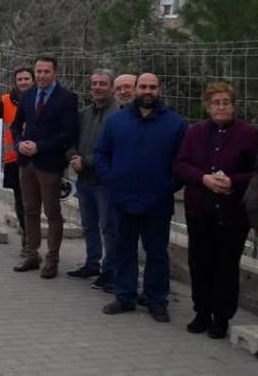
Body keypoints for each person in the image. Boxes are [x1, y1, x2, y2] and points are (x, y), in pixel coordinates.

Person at [95, 73, 187, 323]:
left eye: (152, 87)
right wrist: (112, 179)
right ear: (135, 89)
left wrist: (169, 186)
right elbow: (101, 153)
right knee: (124, 249)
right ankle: (124, 296)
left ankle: (156, 300)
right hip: (123, 199)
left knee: (157, 253)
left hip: (157, 201)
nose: (147, 91)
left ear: (160, 90)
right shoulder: (117, 121)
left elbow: (182, 162)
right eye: (143, 86)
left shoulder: (176, 124)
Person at [174, 82, 258, 338]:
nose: (221, 107)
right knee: (200, 263)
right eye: (216, 103)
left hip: (232, 212)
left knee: (226, 266)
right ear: (207, 106)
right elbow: (180, 164)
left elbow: (254, 171)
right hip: (200, 208)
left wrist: (233, 180)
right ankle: (201, 312)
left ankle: (221, 317)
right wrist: (203, 179)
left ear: (233, 105)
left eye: (226, 102)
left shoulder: (250, 134)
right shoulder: (194, 132)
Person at [10, 56, 79, 279]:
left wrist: (40, 146)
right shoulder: (28, 95)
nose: (41, 76)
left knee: (51, 212)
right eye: (38, 71)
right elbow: (15, 125)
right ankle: (31, 254)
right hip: (26, 162)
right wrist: (19, 143)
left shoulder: (67, 98)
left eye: (46, 72)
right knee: (30, 209)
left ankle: (52, 260)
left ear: (55, 73)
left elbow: (68, 133)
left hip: (49, 163)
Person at [66, 69, 117, 291]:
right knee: (88, 225)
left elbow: (114, 150)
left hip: (104, 181)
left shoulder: (117, 114)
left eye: (102, 83)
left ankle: (110, 271)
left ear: (111, 87)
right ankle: (91, 263)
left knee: (108, 227)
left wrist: (85, 161)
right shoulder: (83, 113)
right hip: (84, 180)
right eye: (94, 83)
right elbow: (71, 140)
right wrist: (73, 157)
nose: (97, 87)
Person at [0, 66, 35, 254]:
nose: (23, 82)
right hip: (14, 160)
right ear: (15, 82)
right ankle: (27, 242)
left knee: (36, 203)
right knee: (21, 202)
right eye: (20, 79)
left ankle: (32, 242)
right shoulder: (4, 102)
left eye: (27, 78)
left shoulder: (42, 99)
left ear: (33, 80)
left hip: (40, 158)